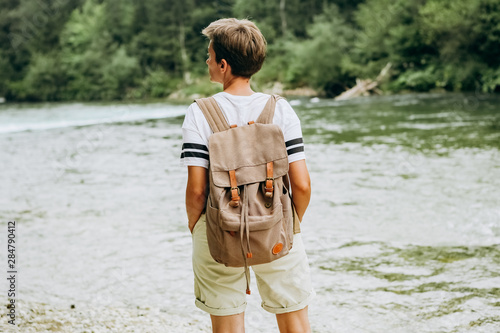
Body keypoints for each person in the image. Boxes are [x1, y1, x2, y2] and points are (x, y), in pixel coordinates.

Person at [180, 18, 314, 333]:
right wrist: (290, 224)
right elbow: (302, 184)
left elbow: (197, 192)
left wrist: (196, 227)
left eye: (210, 56)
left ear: (223, 65)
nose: (207, 61)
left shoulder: (199, 112)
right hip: (277, 228)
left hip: (218, 230)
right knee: (294, 319)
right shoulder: (281, 110)